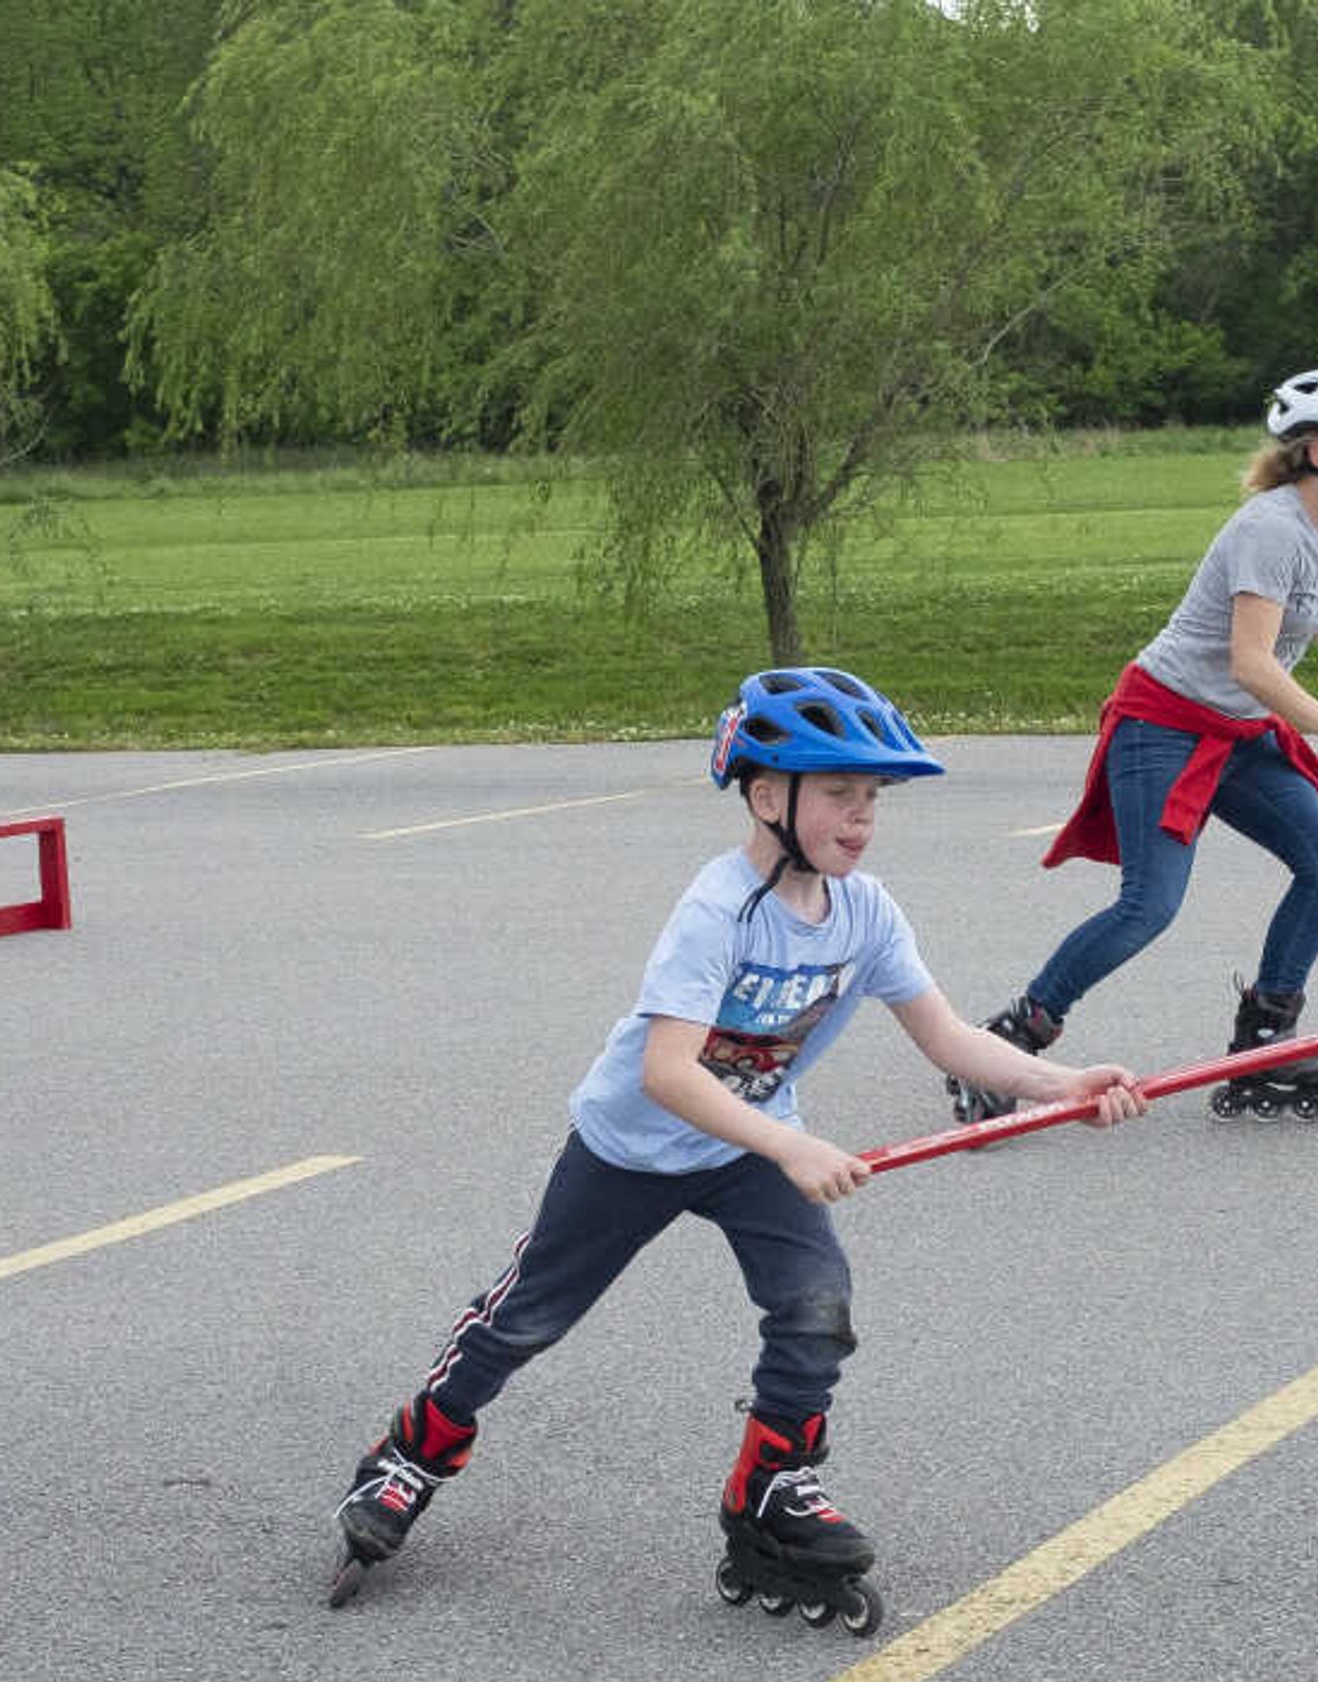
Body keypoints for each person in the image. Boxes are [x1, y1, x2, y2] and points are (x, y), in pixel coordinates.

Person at [328, 666, 1145, 1622]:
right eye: (839, 793)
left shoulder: (866, 911)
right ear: (767, 795)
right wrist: (793, 1147)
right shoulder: (717, 908)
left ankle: (771, 1488)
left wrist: (1064, 1082)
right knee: (524, 1318)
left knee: (815, 1307)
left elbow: (948, 1037)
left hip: (748, 1148)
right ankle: (409, 1456)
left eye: (873, 797)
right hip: (632, 1150)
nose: (862, 817)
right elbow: (669, 1072)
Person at [954, 362, 1318, 1125]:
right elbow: (1252, 661)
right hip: (1162, 722)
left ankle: (1266, 1031)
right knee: (1147, 907)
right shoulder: (1270, 528)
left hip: (1232, 730)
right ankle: (1010, 1040)